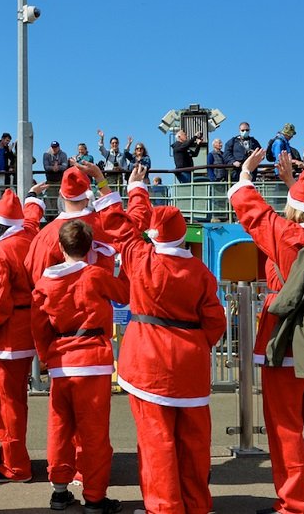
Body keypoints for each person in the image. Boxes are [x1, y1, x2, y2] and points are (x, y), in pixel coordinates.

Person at [88, 160, 226, 514]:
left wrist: (125, 187)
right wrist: (196, 344)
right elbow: (215, 320)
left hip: (148, 360)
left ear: (155, 235)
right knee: (195, 442)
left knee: (156, 441)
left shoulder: (139, 257)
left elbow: (118, 227)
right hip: (190, 364)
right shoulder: (201, 271)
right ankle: (197, 504)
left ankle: (164, 507)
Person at [228, 149, 304, 514]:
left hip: (286, 346)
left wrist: (246, 173)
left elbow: (251, 209)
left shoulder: (285, 234)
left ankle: (296, 505)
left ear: (292, 209)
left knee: (286, 429)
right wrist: (297, 185)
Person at [32, 219, 129, 514]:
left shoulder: (45, 282)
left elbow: (38, 325)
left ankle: (59, 491)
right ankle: (95, 497)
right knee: (94, 433)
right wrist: (121, 263)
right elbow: (124, 294)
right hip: (92, 362)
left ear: (60, 247)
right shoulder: (95, 275)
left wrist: (47, 357)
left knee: (59, 428)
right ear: (89, 249)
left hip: (61, 362)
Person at [0, 186, 45, 483]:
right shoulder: (29, 237)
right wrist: (31, 196)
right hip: (27, 330)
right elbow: (31, 218)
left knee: (5, 404)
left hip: (5, 338)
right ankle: (9, 452)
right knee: (16, 400)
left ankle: (16, 465)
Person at [24, 168, 118, 286]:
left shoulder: (47, 235)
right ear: (88, 196)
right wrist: (100, 179)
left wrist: (31, 196)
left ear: (61, 195)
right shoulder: (106, 225)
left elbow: (36, 276)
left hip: (61, 302)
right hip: (100, 299)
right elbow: (126, 221)